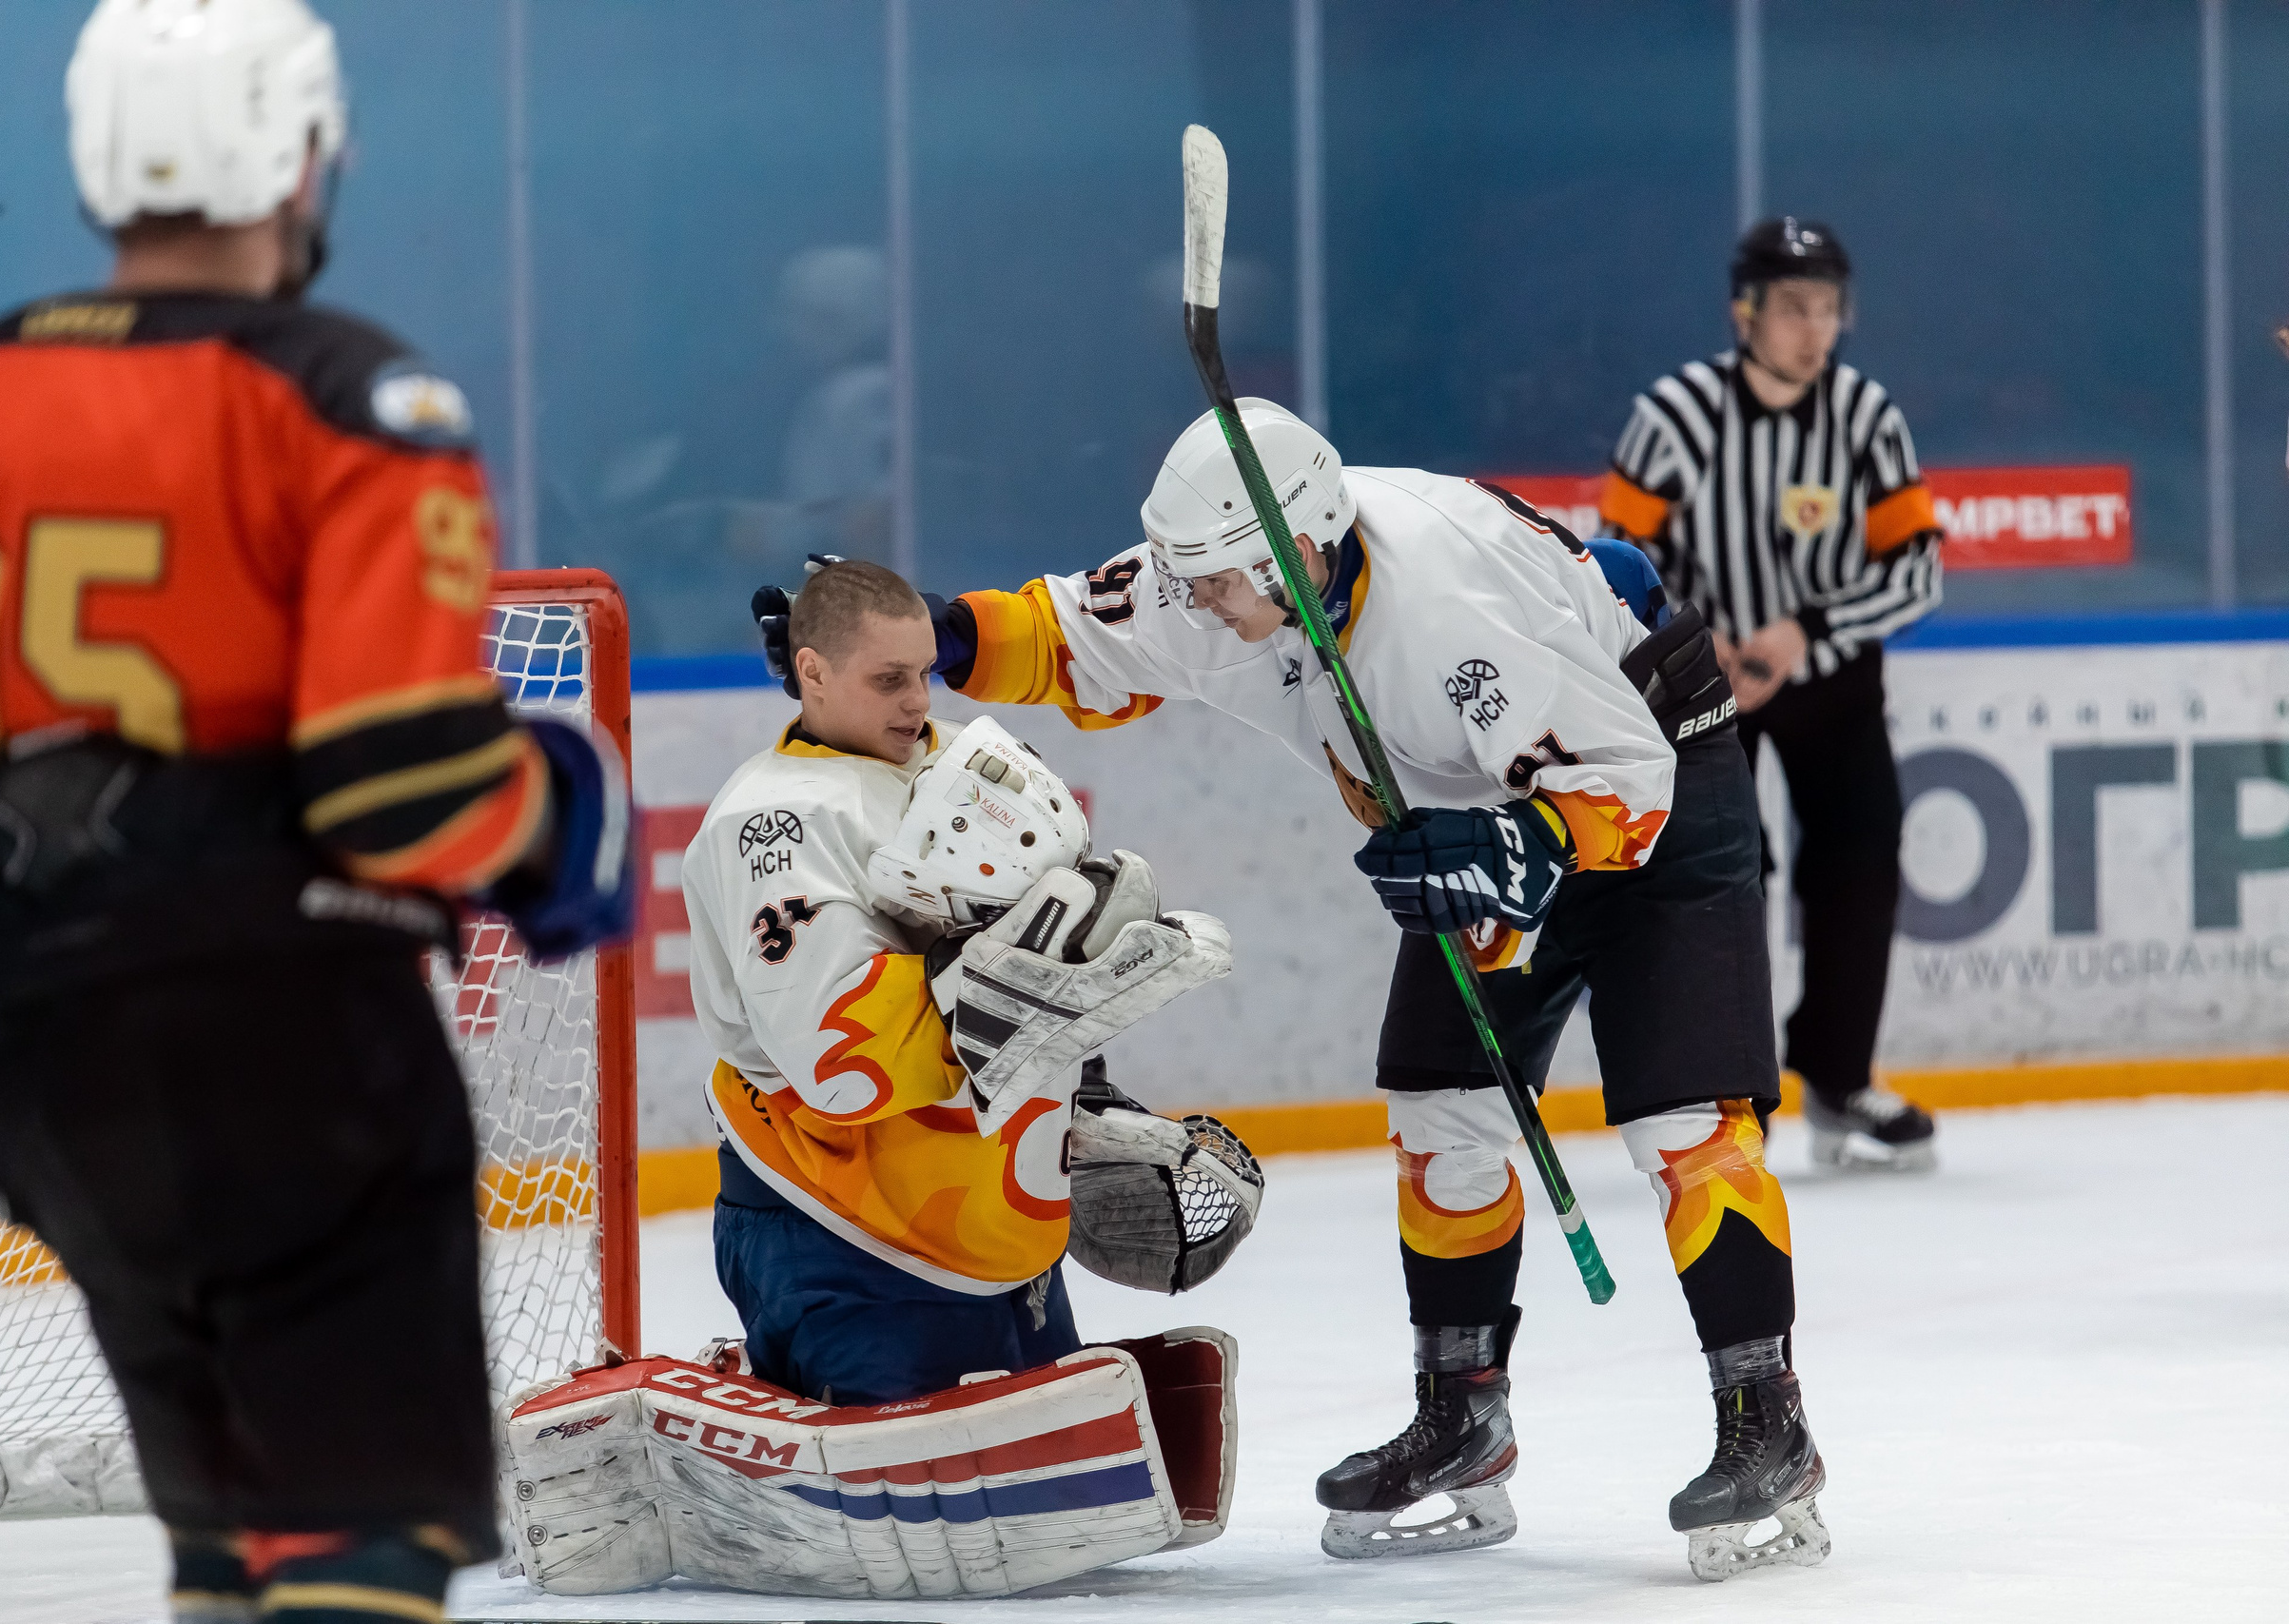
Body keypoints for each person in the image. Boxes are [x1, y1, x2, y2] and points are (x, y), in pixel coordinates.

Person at [756, 408, 1830, 1582]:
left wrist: (1512, 853)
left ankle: (1765, 1422)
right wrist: (924, 640)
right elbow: (1065, 633)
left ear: (1303, 553)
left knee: (1685, 1126)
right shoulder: (1227, 564)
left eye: (1218, 585)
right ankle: (1462, 1415)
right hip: (1473, 811)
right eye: (1192, 581)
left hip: (1652, 783)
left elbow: (1625, 781)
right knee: (1441, 1117)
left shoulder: (1448, 604)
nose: (1198, 604)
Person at [0, 4, 632, 1621]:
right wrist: (562, 826)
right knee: (351, 1543)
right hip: (298, 1053)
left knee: (230, 1540)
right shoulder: (349, 392)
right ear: (299, 157)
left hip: (53, 1079)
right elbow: (402, 785)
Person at [685, 558, 1256, 1409]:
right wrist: (1019, 998)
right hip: (845, 1223)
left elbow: (1039, 948)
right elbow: (848, 1062)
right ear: (811, 672)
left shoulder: (955, 758)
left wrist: (1075, 1093)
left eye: (923, 673)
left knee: (1042, 1505)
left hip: (980, 1227)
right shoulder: (772, 824)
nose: (919, 701)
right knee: (902, 1526)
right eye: (888, 679)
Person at [1598, 216, 1945, 1173]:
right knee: (1720, 881)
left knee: (1861, 862)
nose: (1814, 328)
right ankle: (1724, 1093)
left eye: (1827, 307)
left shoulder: (1866, 417)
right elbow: (1612, 567)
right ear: (1743, 311)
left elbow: (1918, 570)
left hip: (1831, 679)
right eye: (1793, 307)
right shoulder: (1673, 415)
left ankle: (1838, 1080)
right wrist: (1697, 641)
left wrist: (1807, 631)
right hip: (1704, 686)